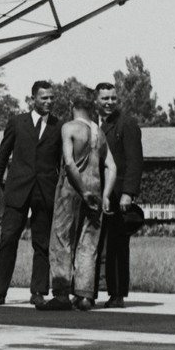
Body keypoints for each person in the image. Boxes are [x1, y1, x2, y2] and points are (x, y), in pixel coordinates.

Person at [0, 80, 61, 307]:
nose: (49, 101)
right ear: (33, 99)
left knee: (42, 244)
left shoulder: (58, 126)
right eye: (44, 98)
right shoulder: (17, 123)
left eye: (51, 98)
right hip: (17, 191)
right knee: (8, 239)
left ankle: (38, 292)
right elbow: (2, 157)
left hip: (44, 192)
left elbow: (61, 162)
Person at [48, 87, 116, 310]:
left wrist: (81, 189)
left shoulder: (70, 128)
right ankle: (85, 296)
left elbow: (68, 162)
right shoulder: (99, 133)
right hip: (96, 189)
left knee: (62, 239)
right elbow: (111, 166)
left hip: (72, 190)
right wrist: (105, 195)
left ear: (72, 105)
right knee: (89, 244)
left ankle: (61, 294)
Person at [95, 81, 145, 307]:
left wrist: (128, 193)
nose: (109, 102)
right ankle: (88, 293)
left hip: (117, 196)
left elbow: (135, 161)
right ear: (96, 100)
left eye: (113, 98)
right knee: (91, 245)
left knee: (117, 246)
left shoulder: (127, 124)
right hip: (93, 193)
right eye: (105, 98)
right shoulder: (90, 124)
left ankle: (117, 294)